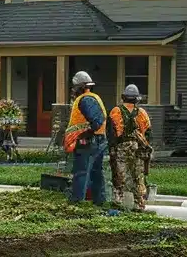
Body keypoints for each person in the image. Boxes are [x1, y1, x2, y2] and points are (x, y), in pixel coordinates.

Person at [63, 71, 110, 207]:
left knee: (81, 172)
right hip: (98, 140)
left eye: (74, 87)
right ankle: (99, 202)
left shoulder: (86, 100)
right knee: (96, 172)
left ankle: (77, 204)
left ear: (81, 87)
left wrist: (87, 134)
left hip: (89, 142)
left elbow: (97, 120)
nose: (73, 90)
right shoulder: (93, 98)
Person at [109, 83, 154, 211]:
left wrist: (111, 149)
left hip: (121, 147)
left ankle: (119, 200)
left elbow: (111, 133)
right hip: (138, 148)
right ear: (136, 99)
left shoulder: (115, 111)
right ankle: (139, 203)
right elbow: (148, 133)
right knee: (138, 175)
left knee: (119, 173)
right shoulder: (142, 113)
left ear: (124, 97)